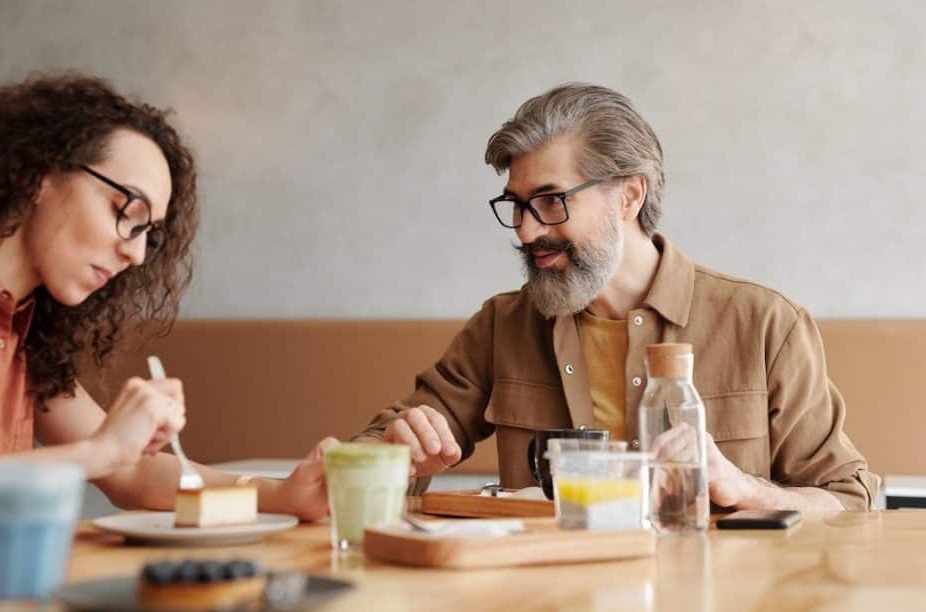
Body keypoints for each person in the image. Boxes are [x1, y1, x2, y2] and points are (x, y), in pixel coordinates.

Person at [354, 83, 878, 511]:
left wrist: (743, 488)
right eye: (516, 205)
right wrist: (399, 455)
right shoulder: (502, 325)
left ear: (629, 195)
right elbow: (372, 449)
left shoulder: (766, 324)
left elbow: (848, 502)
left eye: (551, 202)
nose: (526, 231)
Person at [0, 74, 333, 538]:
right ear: (38, 176)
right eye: (127, 211)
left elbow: (132, 473)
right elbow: (103, 456)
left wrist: (279, 496)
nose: (138, 254)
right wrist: (92, 455)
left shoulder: (21, 331)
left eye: (151, 232)